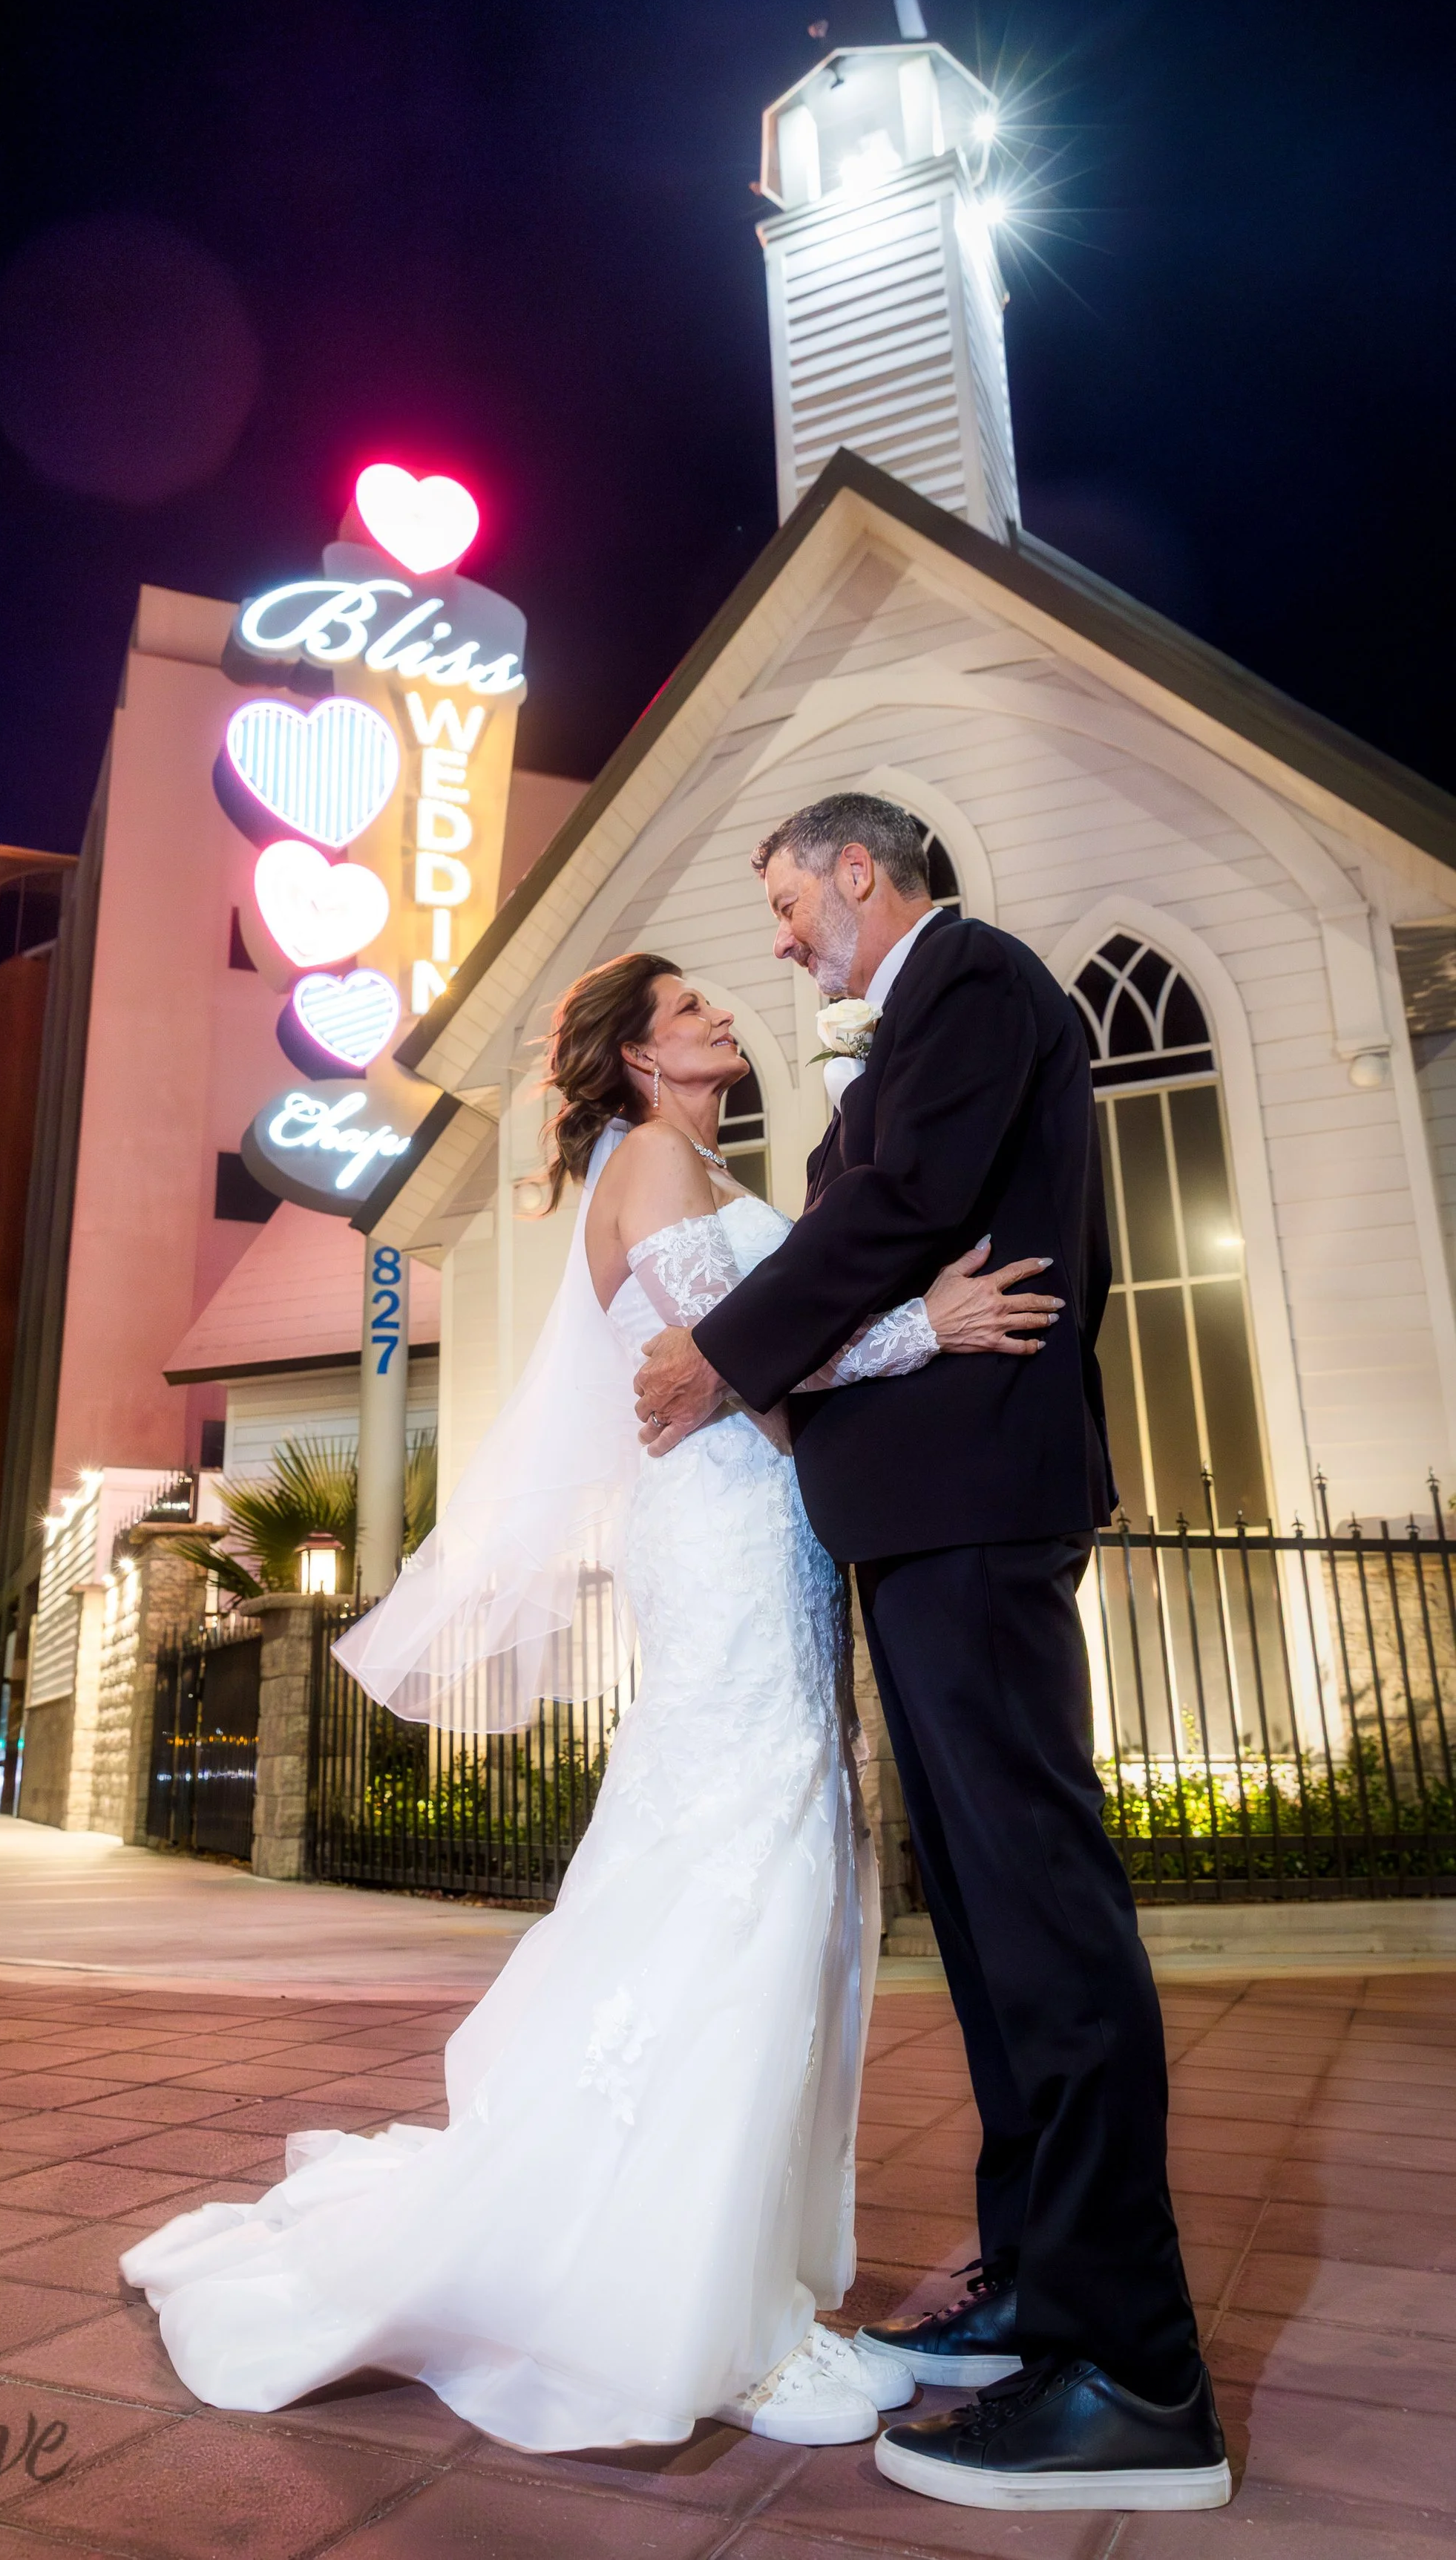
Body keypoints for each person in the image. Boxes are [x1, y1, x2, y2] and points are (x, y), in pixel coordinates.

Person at [121, 950, 1053, 2455]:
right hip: (728, 1544)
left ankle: (739, 2263)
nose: (721, 1017)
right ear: (636, 1057)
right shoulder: (647, 1175)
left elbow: (757, 1344)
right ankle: (702, 2311)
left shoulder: (692, 1162)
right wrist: (919, 1329)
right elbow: (752, 1374)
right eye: (689, 1010)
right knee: (734, 1876)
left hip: (775, 1547)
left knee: (778, 1875)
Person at [634, 793, 1229, 2515]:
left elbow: (898, 1204)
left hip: (976, 1499)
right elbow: (882, 1216)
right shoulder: (921, 1012)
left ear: (857, 870)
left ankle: (1134, 2372)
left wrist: (725, 1355)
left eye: (785, 897)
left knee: (1043, 1914)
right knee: (986, 1925)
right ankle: (1045, 2281)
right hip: (924, 1512)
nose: (780, 934)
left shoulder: (973, 979)